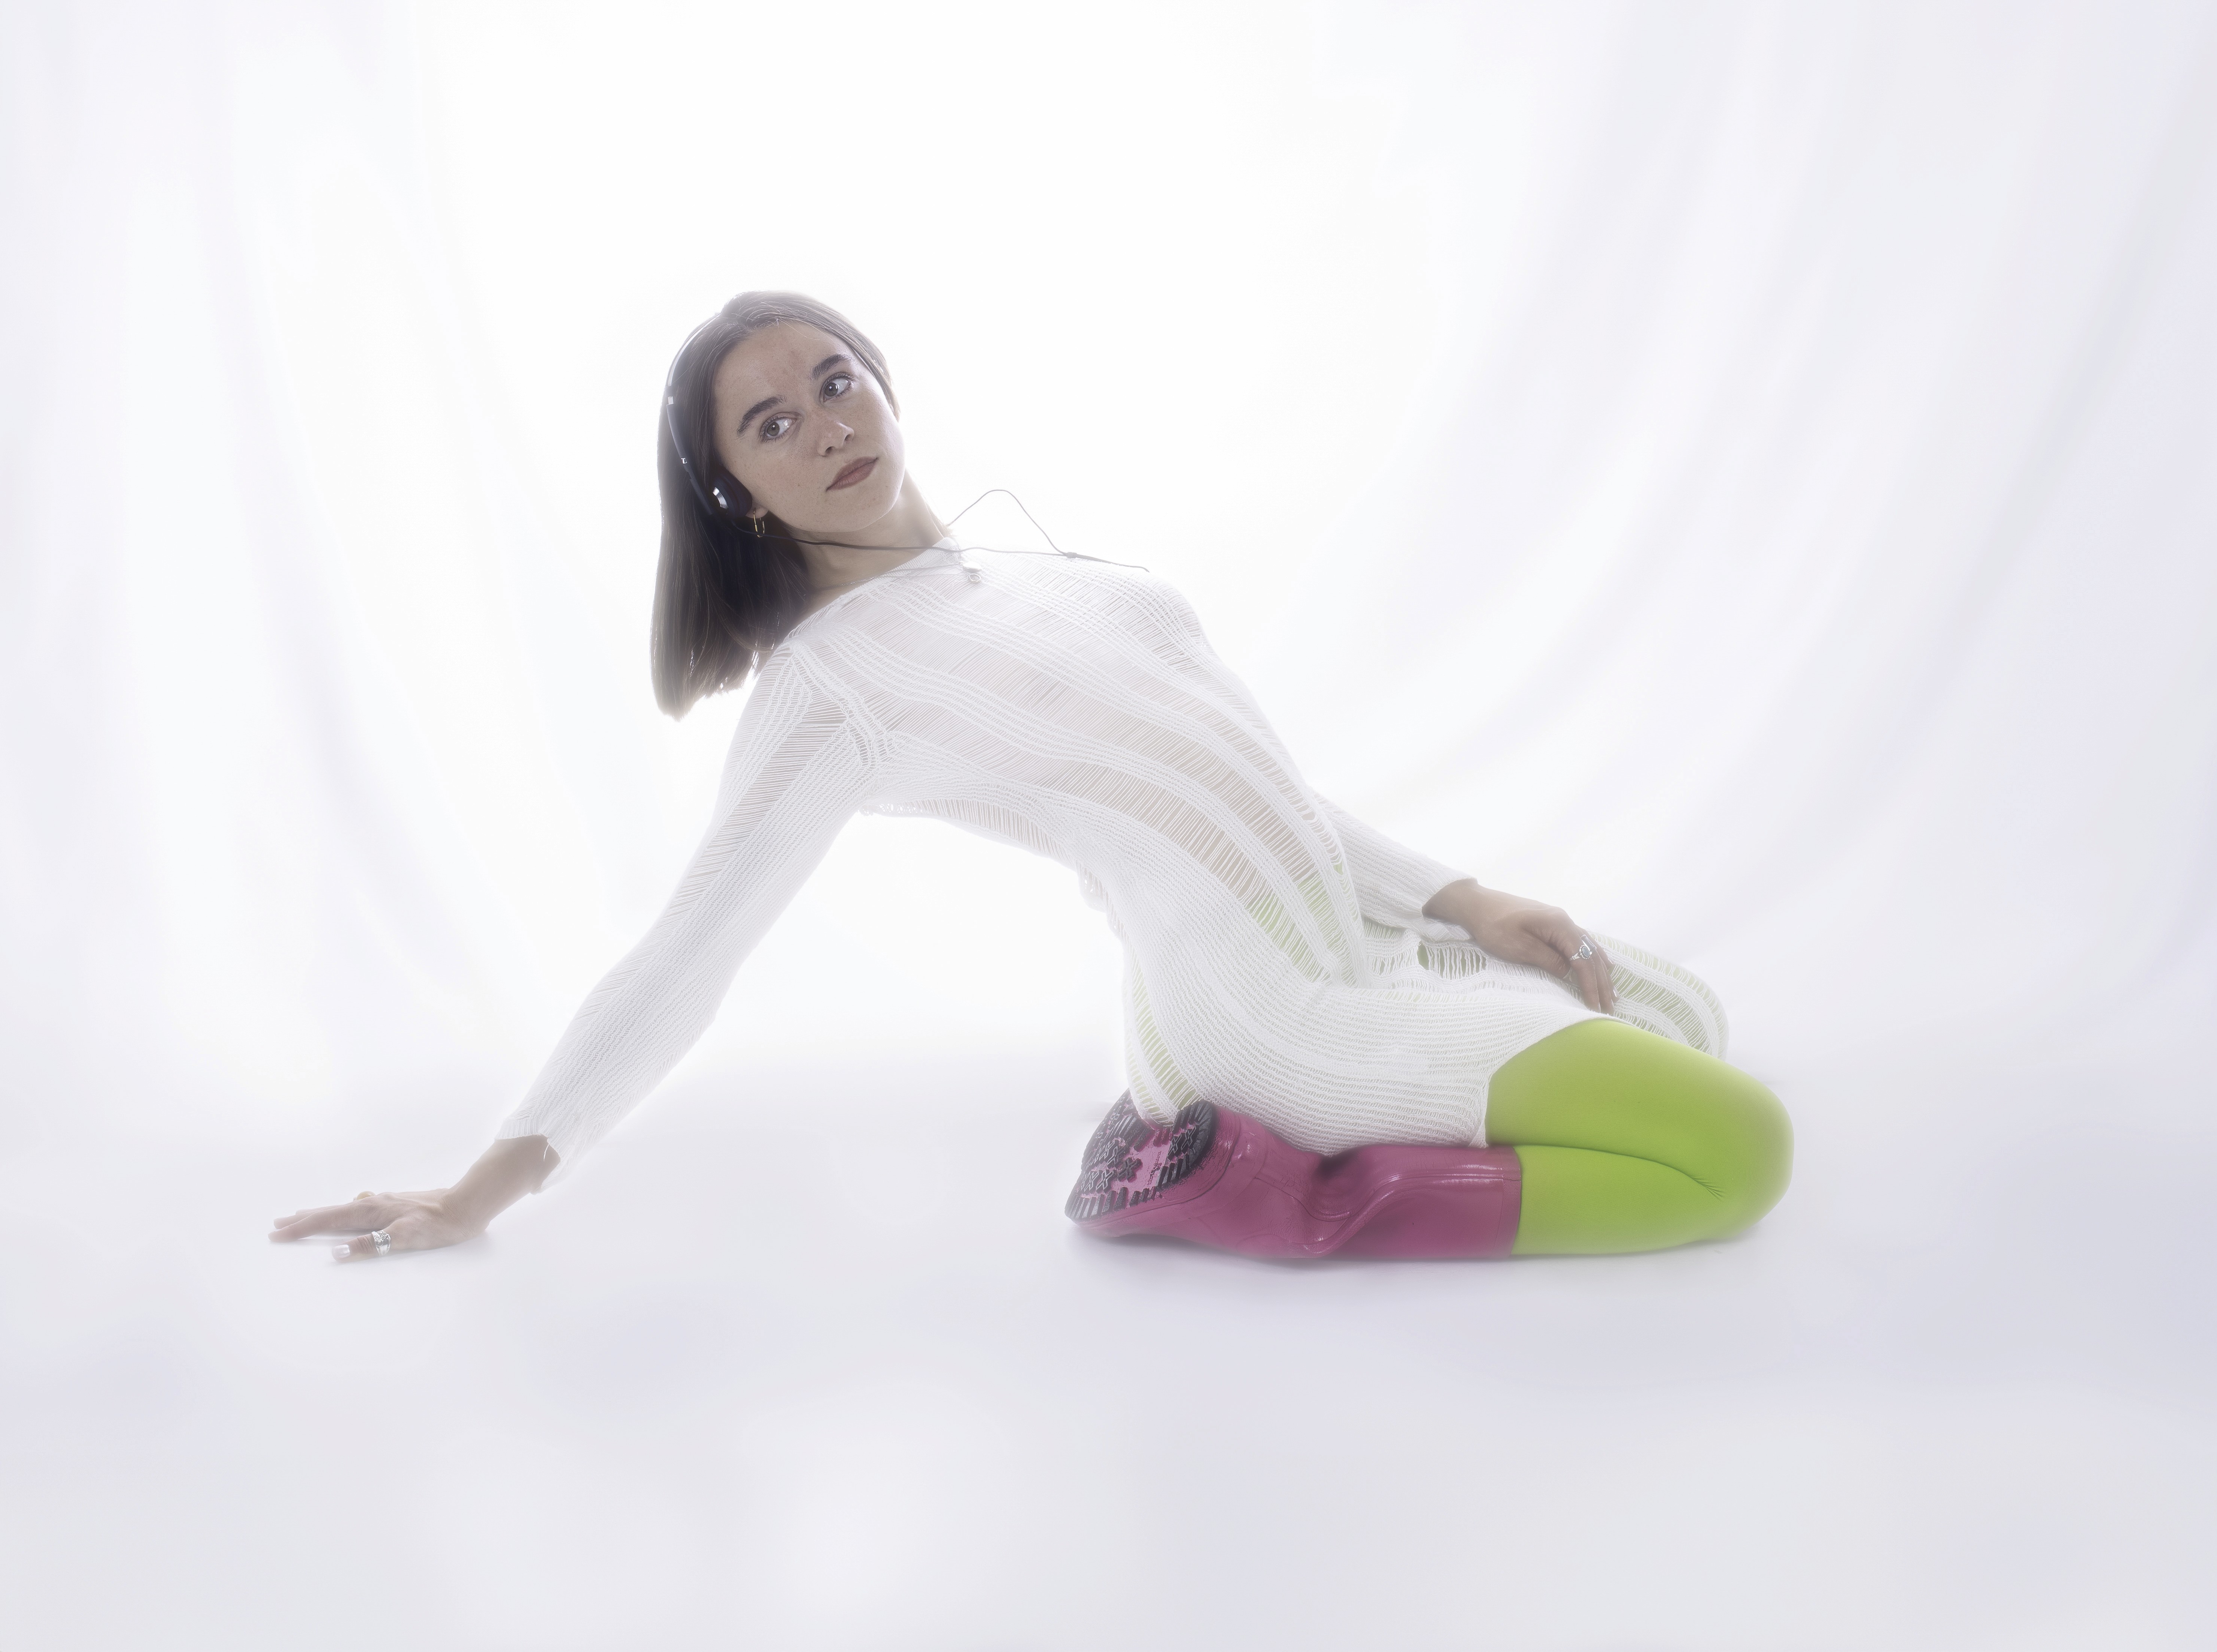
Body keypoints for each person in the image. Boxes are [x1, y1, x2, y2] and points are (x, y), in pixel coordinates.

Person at [270, 292, 1791, 1266]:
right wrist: (485, 1188)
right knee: (1730, 1152)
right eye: (773, 422)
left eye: (835, 378)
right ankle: (1283, 1200)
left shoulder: (1050, 572)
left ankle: (1195, 1113)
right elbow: (687, 955)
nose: (825, 425)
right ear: (737, 488)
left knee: (1677, 1020)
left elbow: (1243, 786)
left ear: (884, 382)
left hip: (1349, 947)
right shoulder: (829, 689)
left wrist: (1475, 896)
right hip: (1273, 1010)